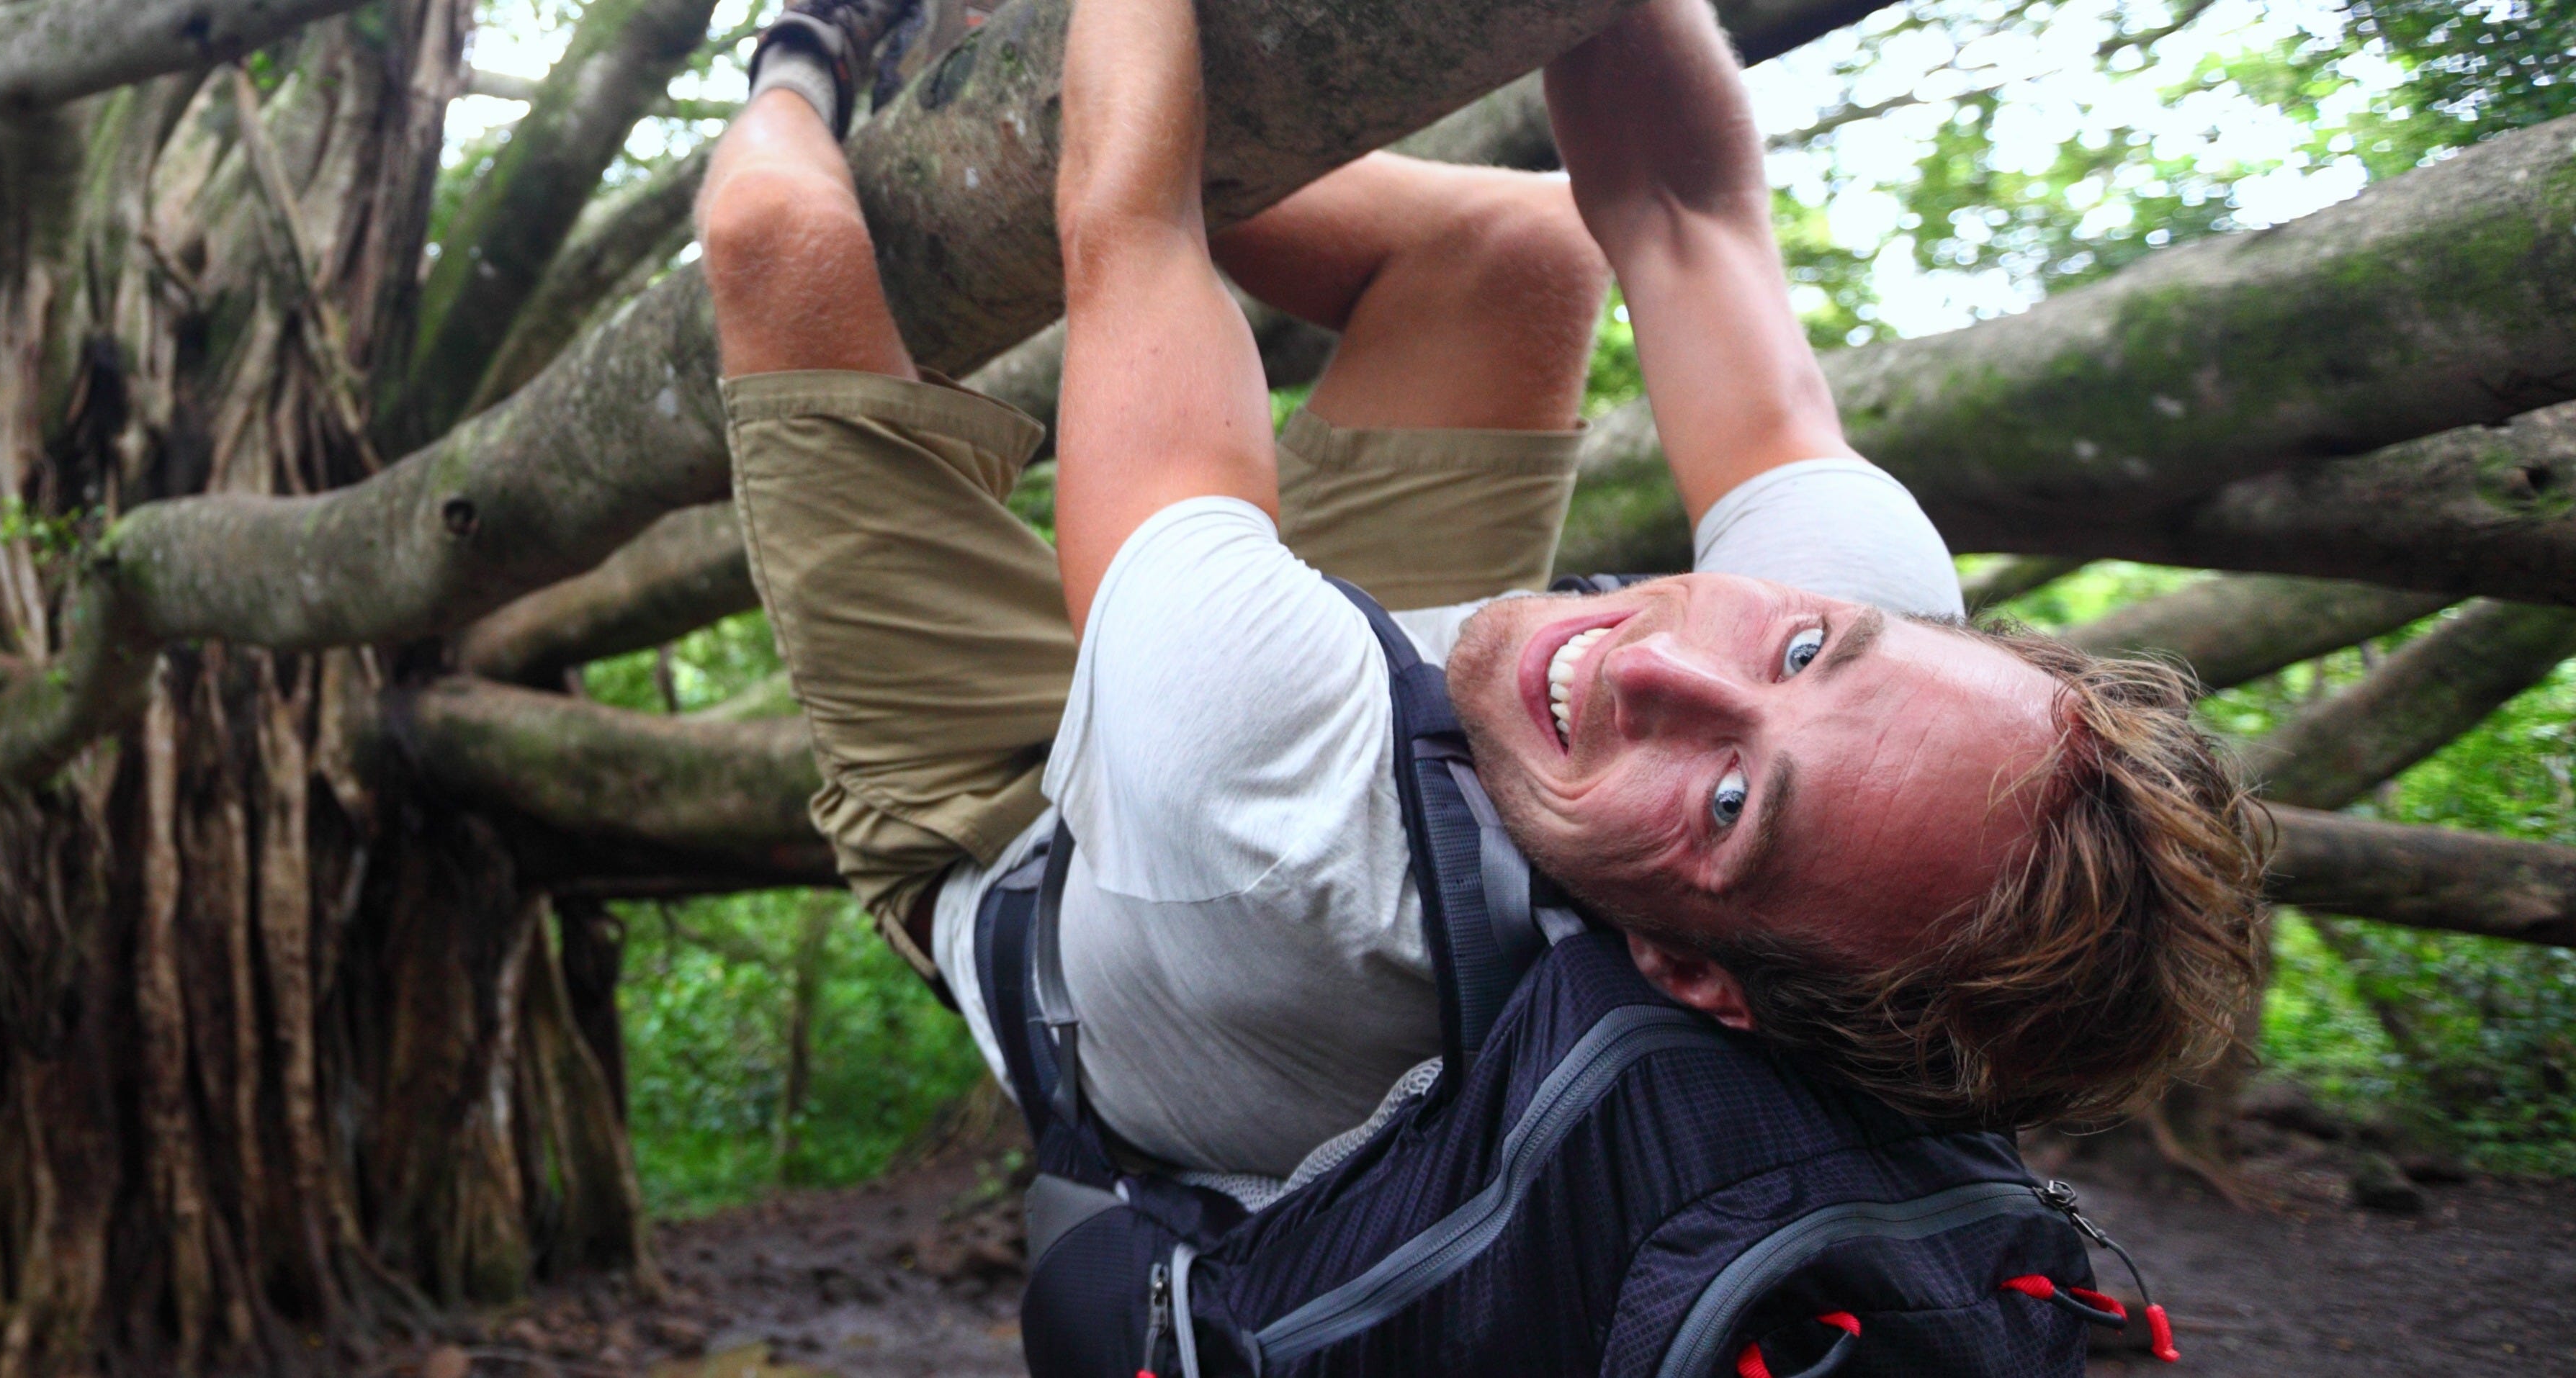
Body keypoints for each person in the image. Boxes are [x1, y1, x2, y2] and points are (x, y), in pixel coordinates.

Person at [703, 0, 2270, 1193]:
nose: (1663, 666)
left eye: (1729, 801)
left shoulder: (1280, 834)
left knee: (778, 238)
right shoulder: (1888, 681)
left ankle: (802, 52)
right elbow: (1681, 212)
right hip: (1394, 721)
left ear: (1692, 979)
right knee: (1528, 253)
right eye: (1796, 647)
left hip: (1024, 850)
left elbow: (1131, 228)